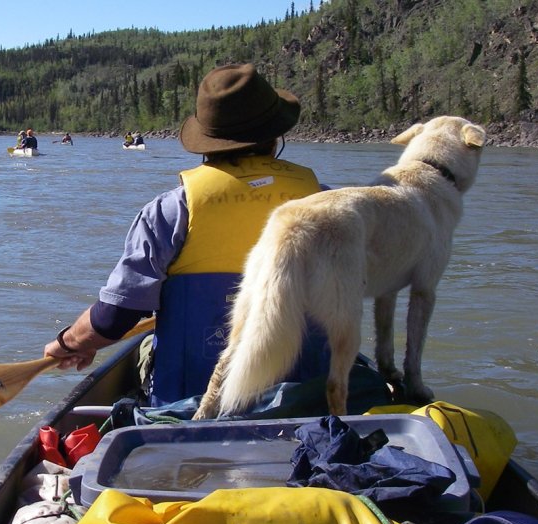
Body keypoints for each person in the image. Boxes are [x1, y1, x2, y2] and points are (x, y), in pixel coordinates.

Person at [44, 63, 331, 408]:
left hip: (189, 405)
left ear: (206, 142)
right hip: (308, 400)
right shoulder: (328, 203)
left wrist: (71, 341)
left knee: (149, 349)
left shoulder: (168, 211)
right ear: (275, 139)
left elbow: (114, 318)